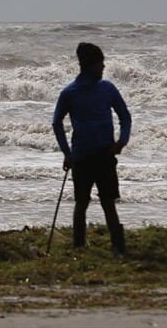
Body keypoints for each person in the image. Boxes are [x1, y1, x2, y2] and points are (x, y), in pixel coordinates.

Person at [52, 42, 131, 257]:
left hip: (104, 154)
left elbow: (125, 116)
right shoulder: (70, 93)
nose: (103, 67)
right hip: (82, 156)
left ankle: (118, 248)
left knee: (108, 203)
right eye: (100, 64)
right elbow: (56, 123)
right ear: (89, 65)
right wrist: (67, 153)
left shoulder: (107, 88)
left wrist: (122, 141)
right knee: (82, 203)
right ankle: (80, 246)